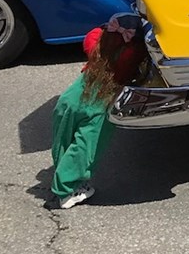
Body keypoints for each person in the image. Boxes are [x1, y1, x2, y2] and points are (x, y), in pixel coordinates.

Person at [48, 14, 147, 210]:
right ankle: (67, 190)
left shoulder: (95, 45)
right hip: (101, 103)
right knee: (86, 146)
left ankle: (61, 173)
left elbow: (93, 33)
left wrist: (106, 29)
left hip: (74, 95)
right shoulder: (132, 53)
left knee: (63, 138)